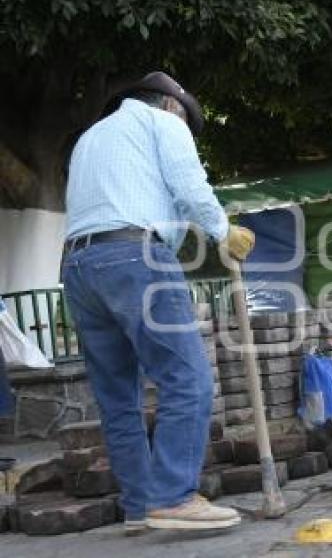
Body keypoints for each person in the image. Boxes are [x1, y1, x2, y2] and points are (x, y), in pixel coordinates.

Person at [62, 71, 255, 533]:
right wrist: (222, 231)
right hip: (135, 256)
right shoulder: (163, 124)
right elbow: (189, 186)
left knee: (118, 399)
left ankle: (139, 506)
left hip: (78, 266)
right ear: (172, 107)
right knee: (187, 379)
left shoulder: (91, 137)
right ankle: (173, 498)